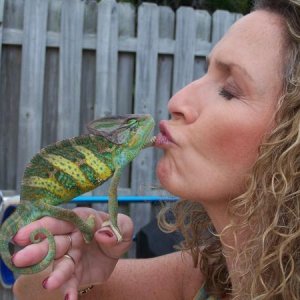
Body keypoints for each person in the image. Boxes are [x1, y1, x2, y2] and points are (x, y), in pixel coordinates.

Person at [12, 0, 300, 299]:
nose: (177, 101)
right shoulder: (199, 278)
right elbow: (31, 290)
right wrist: (79, 268)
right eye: (204, 73)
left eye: (229, 89)